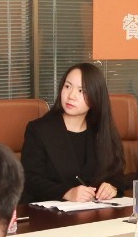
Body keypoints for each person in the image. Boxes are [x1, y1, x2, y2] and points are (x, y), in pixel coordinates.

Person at [20, 62, 129, 204]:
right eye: (67, 86)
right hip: (49, 212)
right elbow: (30, 179)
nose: (71, 95)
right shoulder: (39, 130)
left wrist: (112, 187)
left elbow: (117, 174)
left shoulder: (100, 131)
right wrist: (66, 193)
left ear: (95, 96)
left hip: (95, 212)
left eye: (81, 91)